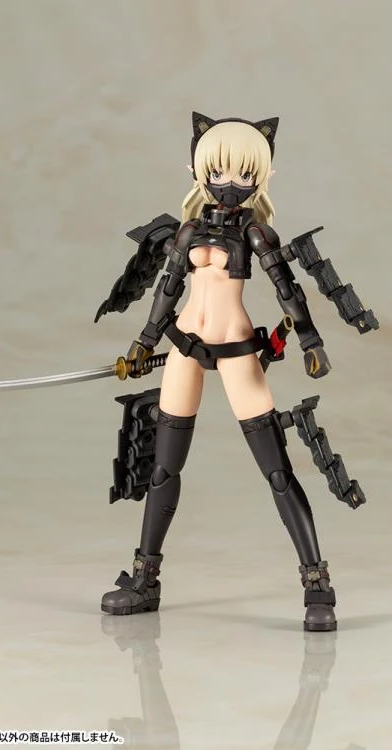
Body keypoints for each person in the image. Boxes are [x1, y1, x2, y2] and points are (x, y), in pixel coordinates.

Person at [101, 113, 337, 632]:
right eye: (219, 172)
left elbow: (287, 291)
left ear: (264, 175)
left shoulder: (255, 233)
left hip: (236, 351)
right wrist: (144, 342)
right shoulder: (187, 230)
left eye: (245, 174)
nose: (231, 184)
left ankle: (317, 584)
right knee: (163, 469)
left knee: (277, 471)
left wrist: (310, 340)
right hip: (184, 346)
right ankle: (144, 580)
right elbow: (167, 290)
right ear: (197, 171)